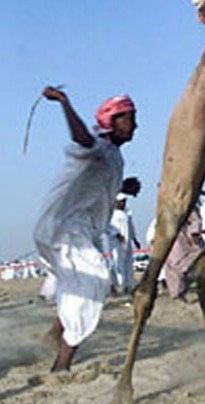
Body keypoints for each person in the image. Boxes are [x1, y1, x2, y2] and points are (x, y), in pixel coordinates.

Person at [32, 87, 137, 372]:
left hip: (77, 231)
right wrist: (65, 103)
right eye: (128, 117)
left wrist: (122, 186)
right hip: (62, 228)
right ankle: (61, 365)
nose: (135, 124)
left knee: (74, 283)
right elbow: (81, 139)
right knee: (94, 280)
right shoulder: (95, 146)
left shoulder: (114, 157)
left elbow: (97, 181)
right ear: (111, 121)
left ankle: (55, 334)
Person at [162, 207, 204, 301]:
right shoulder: (187, 208)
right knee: (176, 266)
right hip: (179, 240)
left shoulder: (191, 208)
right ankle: (176, 292)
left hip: (184, 240)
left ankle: (179, 291)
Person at [108, 192, 140, 295]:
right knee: (116, 264)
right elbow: (107, 227)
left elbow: (131, 227)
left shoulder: (127, 213)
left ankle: (127, 286)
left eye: (124, 202)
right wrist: (117, 234)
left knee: (128, 265)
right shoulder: (110, 214)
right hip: (115, 243)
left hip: (127, 242)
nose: (123, 204)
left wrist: (135, 239)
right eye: (121, 202)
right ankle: (116, 285)